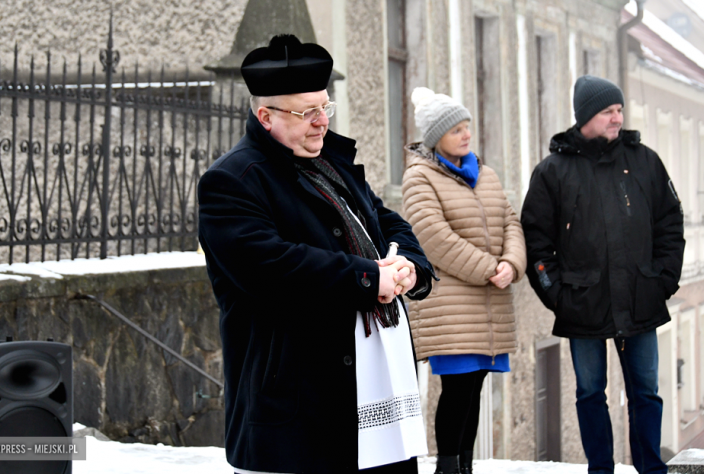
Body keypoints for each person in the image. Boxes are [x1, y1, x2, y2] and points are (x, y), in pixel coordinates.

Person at [198, 34, 435, 474]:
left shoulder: (333, 163)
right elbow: (272, 267)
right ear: (265, 116)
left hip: (377, 386)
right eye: (306, 112)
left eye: (325, 107)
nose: (321, 121)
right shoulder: (231, 181)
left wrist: (408, 268)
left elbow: (388, 224)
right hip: (297, 410)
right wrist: (369, 279)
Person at [521, 75, 685, 474]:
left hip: (640, 297)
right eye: (608, 111)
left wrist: (663, 279)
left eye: (619, 110)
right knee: (590, 393)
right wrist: (556, 295)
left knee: (646, 392)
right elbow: (536, 241)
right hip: (582, 304)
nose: (618, 118)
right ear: (586, 117)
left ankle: (651, 468)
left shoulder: (644, 160)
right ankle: (601, 469)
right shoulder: (553, 171)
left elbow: (670, 223)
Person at [401, 87, 526, 474]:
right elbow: (433, 239)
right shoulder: (419, 178)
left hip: (490, 303)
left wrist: (511, 263)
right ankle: (447, 467)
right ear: (436, 137)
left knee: (474, 390)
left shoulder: (484, 174)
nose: (466, 134)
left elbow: (510, 222)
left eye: (467, 126)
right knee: (456, 390)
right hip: (451, 307)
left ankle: (465, 466)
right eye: (456, 129)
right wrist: (489, 268)